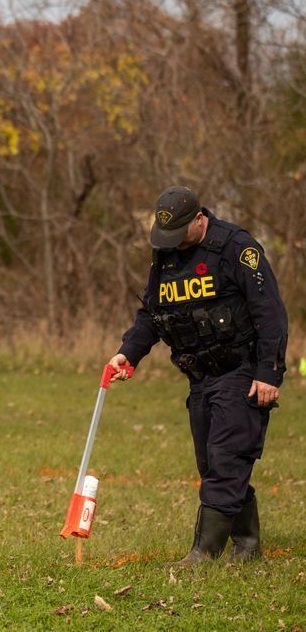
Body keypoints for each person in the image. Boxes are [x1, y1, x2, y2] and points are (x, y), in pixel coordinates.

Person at [107, 186, 287, 565]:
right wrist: (129, 353)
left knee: (226, 458)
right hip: (200, 376)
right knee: (211, 463)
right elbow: (153, 312)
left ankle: (204, 554)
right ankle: (247, 546)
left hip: (241, 371)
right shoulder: (167, 255)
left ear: (200, 219)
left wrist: (269, 373)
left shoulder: (237, 248)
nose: (172, 242)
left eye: (179, 233)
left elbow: (270, 313)